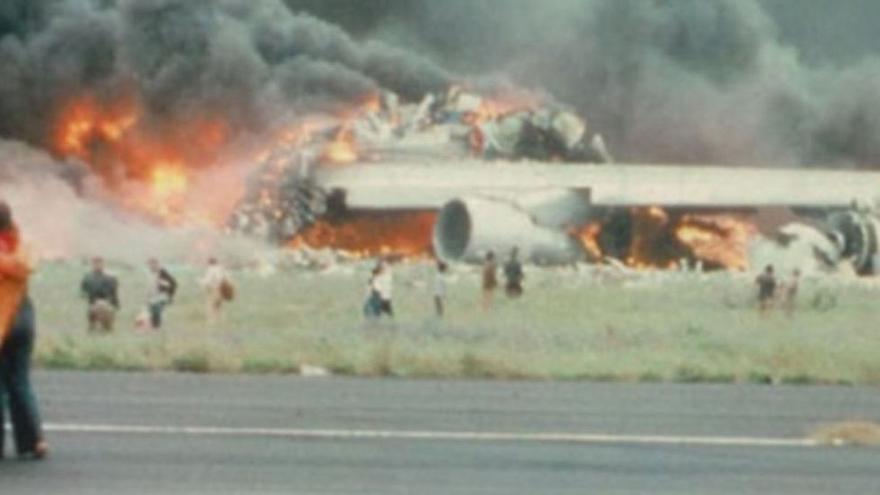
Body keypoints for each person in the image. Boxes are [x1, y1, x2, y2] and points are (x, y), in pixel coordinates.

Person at [0, 200, 48, 460]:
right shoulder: (22, 246)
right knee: (20, 380)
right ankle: (33, 441)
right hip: (24, 319)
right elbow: (26, 266)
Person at [80, 256, 120, 332]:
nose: (97, 265)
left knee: (106, 311)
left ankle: (107, 328)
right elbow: (83, 292)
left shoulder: (110, 278)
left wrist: (113, 304)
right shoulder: (87, 278)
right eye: (95, 263)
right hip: (93, 303)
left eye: (99, 263)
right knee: (94, 311)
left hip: (107, 303)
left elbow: (114, 294)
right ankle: (93, 327)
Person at [147, 258, 177, 329]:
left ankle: (157, 327)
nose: (151, 266)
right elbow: (150, 286)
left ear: (157, 264)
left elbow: (173, 284)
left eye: (153, 264)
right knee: (153, 312)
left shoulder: (163, 272)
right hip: (152, 297)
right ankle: (154, 327)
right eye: (150, 265)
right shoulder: (150, 274)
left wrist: (161, 283)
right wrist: (147, 297)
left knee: (157, 311)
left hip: (162, 296)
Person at [199, 257, 231, 324]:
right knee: (220, 306)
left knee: (211, 306)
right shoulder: (222, 269)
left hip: (214, 289)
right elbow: (228, 279)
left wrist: (200, 282)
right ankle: (221, 320)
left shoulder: (211, 269)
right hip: (222, 289)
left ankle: (212, 321)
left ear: (210, 263)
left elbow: (207, 281)